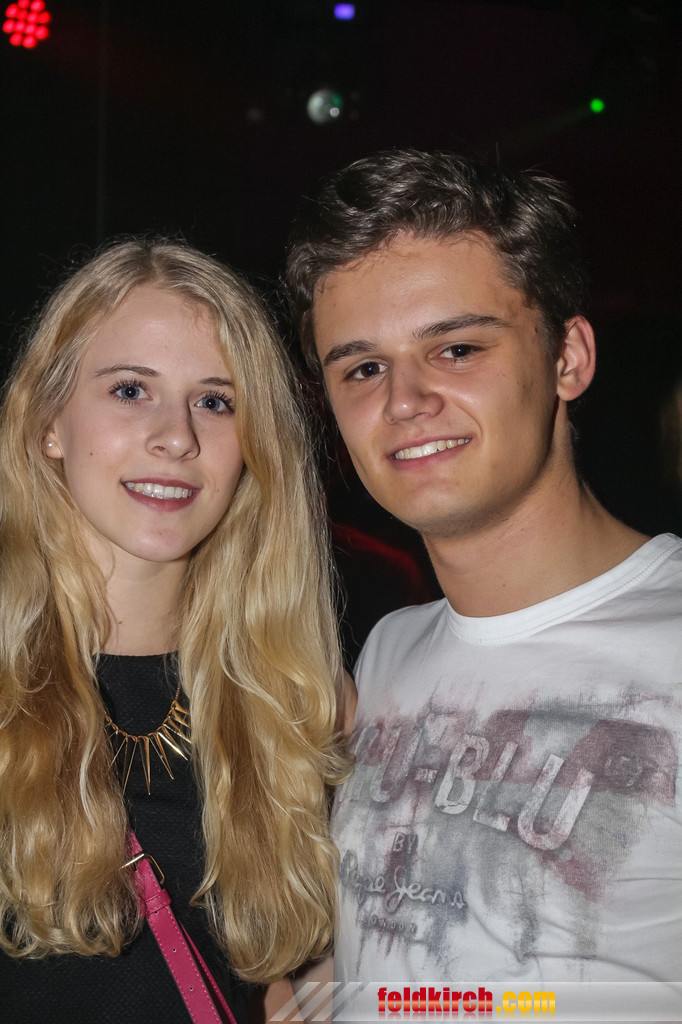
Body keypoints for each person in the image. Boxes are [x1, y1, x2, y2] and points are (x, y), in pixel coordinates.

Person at [285, 151, 682, 1004]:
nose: (404, 401)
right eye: (363, 368)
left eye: (457, 348)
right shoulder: (385, 655)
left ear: (568, 357)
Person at [0, 238, 348, 1023]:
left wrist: (325, 978)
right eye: (131, 390)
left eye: (216, 402)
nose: (177, 437)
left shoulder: (300, 701)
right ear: (50, 421)